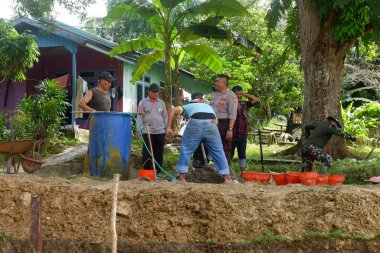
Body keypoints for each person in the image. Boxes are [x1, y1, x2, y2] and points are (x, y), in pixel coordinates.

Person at [166, 92, 233, 183]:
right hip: (212, 123)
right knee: (218, 151)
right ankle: (227, 178)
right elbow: (216, 122)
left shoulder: (189, 106)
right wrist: (205, 135)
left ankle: (182, 177)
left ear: (192, 101)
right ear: (201, 100)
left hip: (196, 122)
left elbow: (172, 110)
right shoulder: (209, 107)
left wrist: (169, 128)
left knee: (186, 149)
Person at [79, 71, 115, 173]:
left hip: (106, 124)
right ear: (102, 81)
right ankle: (87, 169)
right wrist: (92, 111)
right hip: (96, 123)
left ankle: (102, 168)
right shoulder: (92, 91)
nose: (110, 84)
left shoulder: (108, 93)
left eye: (111, 82)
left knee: (105, 145)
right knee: (93, 145)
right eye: (108, 81)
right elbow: (81, 103)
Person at [209, 74, 238, 173]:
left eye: (218, 81)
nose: (215, 83)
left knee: (225, 147)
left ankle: (227, 170)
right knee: (212, 146)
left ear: (224, 83)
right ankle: (215, 168)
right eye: (215, 81)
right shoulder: (214, 94)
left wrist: (230, 129)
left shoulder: (231, 95)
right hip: (212, 123)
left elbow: (233, 113)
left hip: (224, 124)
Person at [137, 83, 167, 177]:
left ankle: (157, 172)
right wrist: (139, 129)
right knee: (147, 152)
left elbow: (165, 116)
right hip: (147, 130)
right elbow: (139, 116)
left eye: (157, 92)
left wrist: (167, 128)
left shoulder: (162, 103)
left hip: (160, 131)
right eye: (153, 92)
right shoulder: (143, 102)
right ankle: (146, 172)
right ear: (148, 92)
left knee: (159, 152)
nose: (155, 94)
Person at [231, 85, 260, 175]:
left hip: (243, 132)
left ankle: (243, 172)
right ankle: (228, 171)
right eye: (237, 94)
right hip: (232, 133)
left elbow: (256, 99)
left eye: (241, 94)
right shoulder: (230, 104)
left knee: (242, 153)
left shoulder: (245, 104)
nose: (239, 96)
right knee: (229, 153)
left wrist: (245, 94)